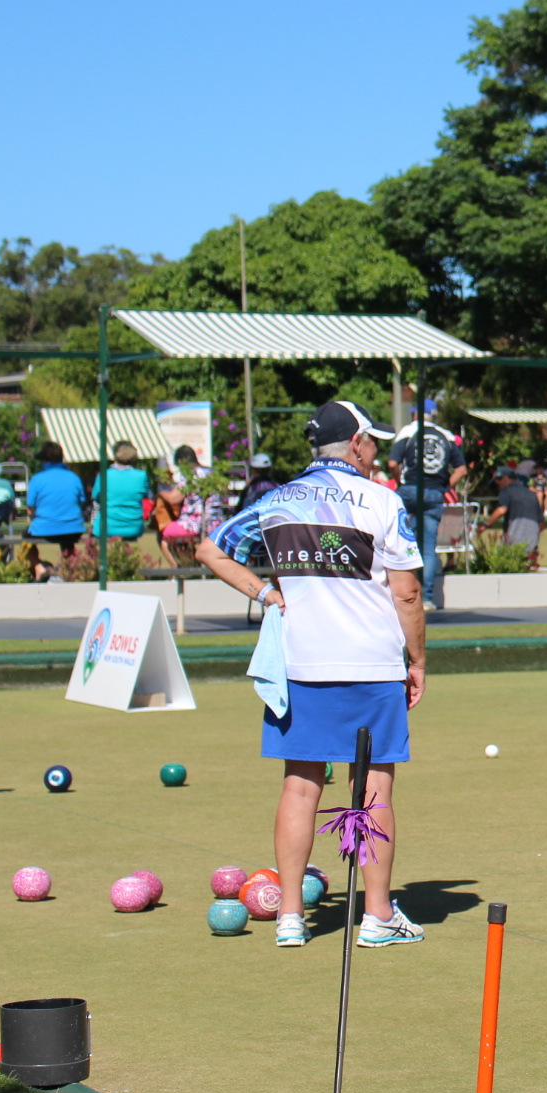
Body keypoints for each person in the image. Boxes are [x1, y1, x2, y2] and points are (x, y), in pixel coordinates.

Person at [196, 399, 427, 951]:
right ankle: (376, 914)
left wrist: (265, 592)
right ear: (356, 444)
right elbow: (408, 591)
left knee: (300, 787)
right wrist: (417, 662)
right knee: (372, 792)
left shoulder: (275, 501)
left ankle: (291, 918)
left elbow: (210, 549)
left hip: (299, 666)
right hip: (370, 666)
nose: (375, 452)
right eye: (373, 442)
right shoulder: (381, 500)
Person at [390, 419, 467, 612]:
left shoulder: (408, 432)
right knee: (429, 548)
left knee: (400, 541)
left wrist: (399, 481)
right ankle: (427, 598)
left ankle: (400, 592)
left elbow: (392, 462)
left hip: (409, 490)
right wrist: (444, 486)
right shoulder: (446, 436)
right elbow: (462, 469)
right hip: (434, 493)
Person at [24, 442, 88, 554]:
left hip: (44, 529)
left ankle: (38, 566)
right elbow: (81, 502)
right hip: (74, 530)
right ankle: (70, 565)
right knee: (67, 536)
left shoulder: (36, 479)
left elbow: (31, 508)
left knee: (26, 536)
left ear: (44, 460)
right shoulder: (74, 478)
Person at [88, 441, 152, 542]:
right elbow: (144, 495)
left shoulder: (104, 475)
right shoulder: (142, 476)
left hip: (106, 526)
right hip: (133, 527)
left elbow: (96, 496)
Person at [484, 466, 542, 554]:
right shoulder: (532, 494)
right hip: (532, 544)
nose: (498, 487)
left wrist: (486, 525)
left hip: (513, 543)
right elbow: (542, 525)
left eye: (497, 483)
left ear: (505, 479)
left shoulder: (506, 491)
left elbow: (501, 510)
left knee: (495, 561)